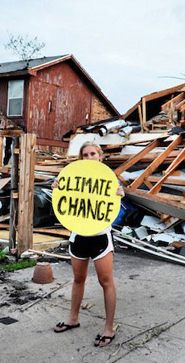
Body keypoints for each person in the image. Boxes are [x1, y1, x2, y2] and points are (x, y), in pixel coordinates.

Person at [52, 141, 124, 347]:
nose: (90, 157)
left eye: (93, 154)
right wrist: (57, 188)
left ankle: (109, 328)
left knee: (106, 282)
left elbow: (117, 200)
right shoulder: (71, 177)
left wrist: (122, 194)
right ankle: (73, 319)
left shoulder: (109, 180)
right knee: (78, 278)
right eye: (86, 154)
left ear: (100, 157)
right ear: (81, 158)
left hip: (100, 237)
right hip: (78, 237)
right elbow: (63, 200)